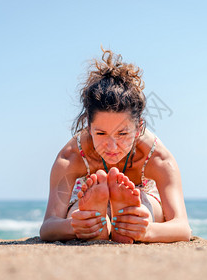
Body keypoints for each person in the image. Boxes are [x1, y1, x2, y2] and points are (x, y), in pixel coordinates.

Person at [40, 49, 192, 243]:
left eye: (122, 134)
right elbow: (48, 226)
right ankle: (98, 222)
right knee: (80, 210)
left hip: (142, 199)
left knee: (144, 206)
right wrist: (74, 225)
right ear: (88, 126)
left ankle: (127, 219)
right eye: (101, 133)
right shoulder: (71, 157)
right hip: (91, 203)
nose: (111, 146)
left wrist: (147, 230)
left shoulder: (157, 158)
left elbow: (182, 227)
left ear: (138, 128)